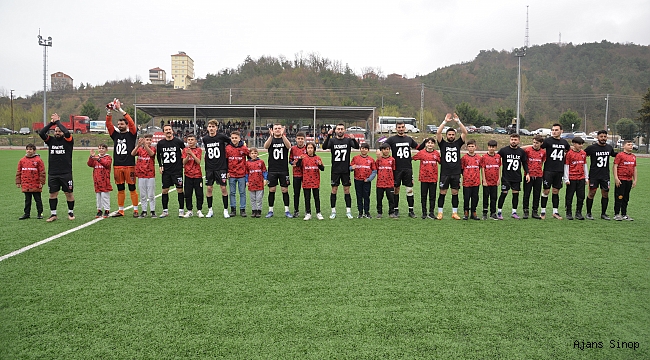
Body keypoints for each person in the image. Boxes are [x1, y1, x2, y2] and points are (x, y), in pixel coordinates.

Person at [39, 113, 75, 222]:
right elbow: (41, 133)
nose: (57, 133)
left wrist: (58, 122)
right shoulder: (51, 141)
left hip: (66, 173)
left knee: (68, 193)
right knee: (52, 194)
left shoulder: (68, 141)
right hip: (53, 173)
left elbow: (67, 132)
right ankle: (53, 214)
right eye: (56, 131)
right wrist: (52, 123)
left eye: (59, 131)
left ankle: (70, 212)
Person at [106, 99, 139, 218]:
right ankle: (121, 210)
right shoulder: (115, 135)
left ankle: (135, 210)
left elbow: (131, 122)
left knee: (132, 187)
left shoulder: (132, 134)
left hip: (129, 165)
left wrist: (120, 110)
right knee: (120, 188)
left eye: (122, 124)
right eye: (118, 124)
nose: (120, 126)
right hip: (117, 165)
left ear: (126, 125)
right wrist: (109, 111)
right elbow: (109, 125)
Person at [383, 121, 420, 218]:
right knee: (396, 189)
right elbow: (383, 146)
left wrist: (426, 142)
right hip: (396, 168)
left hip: (408, 168)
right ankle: (396, 210)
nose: (401, 129)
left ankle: (411, 211)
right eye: (399, 127)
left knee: (409, 189)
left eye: (402, 127)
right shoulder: (392, 139)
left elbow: (418, 147)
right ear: (396, 129)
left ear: (405, 128)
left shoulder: (409, 139)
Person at [322, 123, 360, 219]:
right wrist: (328, 135)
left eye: (341, 129)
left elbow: (356, 147)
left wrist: (353, 139)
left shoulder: (347, 140)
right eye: (338, 129)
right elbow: (324, 147)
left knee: (346, 190)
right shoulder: (332, 140)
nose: (340, 130)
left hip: (345, 170)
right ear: (335, 130)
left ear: (344, 130)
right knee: (334, 190)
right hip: (335, 170)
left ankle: (348, 211)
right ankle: (333, 211)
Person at [436, 113, 468, 220]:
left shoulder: (458, 143)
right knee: (442, 192)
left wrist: (458, 121)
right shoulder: (442, 144)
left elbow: (465, 132)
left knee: (455, 192)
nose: (451, 136)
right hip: (445, 172)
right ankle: (440, 212)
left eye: (452, 134)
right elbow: (438, 132)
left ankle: (454, 213)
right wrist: (445, 121)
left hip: (455, 172)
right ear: (446, 136)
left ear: (454, 135)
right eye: (449, 135)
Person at [584, 130, 617, 220]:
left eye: (605, 136)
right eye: (601, 136)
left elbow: (614, 154)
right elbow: (582, 154)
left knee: (605, 194)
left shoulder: (609, 148)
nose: (603, 138)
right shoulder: (592, 148)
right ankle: (589, 213)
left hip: (605, 175)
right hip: (594, 175)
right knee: (592, 193)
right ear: (597, 137)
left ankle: (603, 213)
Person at [202, 119, 232, 218]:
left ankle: (225, 210)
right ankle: (210, 210)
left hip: (221, 167)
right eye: (209, 126)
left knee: (223, 188)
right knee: (209, 188)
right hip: (210, 167)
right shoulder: (205, 139)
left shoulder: (221, 137)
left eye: (213, 127)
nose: (211, 128)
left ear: (216, 128)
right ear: (207, 128)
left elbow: (231, 142)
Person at [540, 123, 571, 219]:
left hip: (559, 170)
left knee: (556, 190)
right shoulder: (548, 141)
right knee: (546, 190)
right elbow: (538, 148)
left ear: (561, 131)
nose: (554, 131)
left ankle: (555, 212)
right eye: (553, 130)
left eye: (556, 130)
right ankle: (543, 211)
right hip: (549, 169)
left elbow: (569, 151)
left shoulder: (564, 142)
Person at [496, 134, 529, 220]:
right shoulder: (504, 150)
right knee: (504, 193)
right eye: (512, 139)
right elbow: (496, 158)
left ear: (519, 141)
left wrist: (527, 173)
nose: (513, 141)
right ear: (510, 140)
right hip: (506, 177)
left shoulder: (521, 152)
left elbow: (524, 163)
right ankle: (499, 212)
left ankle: (514, 212)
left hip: (516, 177)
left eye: (515, 139)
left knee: (515, 194)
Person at [156, 124, 185, 218]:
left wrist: (183, 162)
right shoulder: (161, 143)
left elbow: (184, 151)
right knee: (165, 190)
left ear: (172, 131)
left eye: (169, 129)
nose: (168, 131)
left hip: (177, 170)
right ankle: (165, 211)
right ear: (163, 132)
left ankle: (181, 210)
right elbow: (158, 155)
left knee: (180, 190)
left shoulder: (178, 141)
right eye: (166, 130)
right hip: (166, 171)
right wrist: (160, 165)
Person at [264, 123, 293, 218]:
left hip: (283, 169)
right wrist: (271, 135)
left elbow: (289, 146)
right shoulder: (271, 139)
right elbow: (266, 146)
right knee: (272, 189)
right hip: (272, 169)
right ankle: (270, 210)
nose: (277, 130)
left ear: (282, 129)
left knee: (284, 190)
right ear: (272, 129)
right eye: (275, 128)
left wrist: (283, 135)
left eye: (279, 128)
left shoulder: (284, 139)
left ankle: (287, 210)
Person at [15, 143, 45, 220]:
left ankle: (40, 213)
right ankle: (26, 213)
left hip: (35, 183)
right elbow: (19, 171)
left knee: (38, 199)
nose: (29, 151)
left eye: (31, 149)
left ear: (34, 151)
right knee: (27, 200)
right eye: (27, 149)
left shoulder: (38, 160)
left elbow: (42, 172)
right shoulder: (22, 160)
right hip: (26, 183)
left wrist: (41, 182)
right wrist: (18, 182)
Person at [296, 142, 325, 220]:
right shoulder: (303, 158)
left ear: (314, 149)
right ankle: (308, 213)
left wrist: (320, 165)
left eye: (311, 148)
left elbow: (322, 169)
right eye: (308, 148)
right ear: (306, 149)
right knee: (307, 198)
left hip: (315, 181)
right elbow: (298, 166)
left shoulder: (317, 158)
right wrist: (299, 159)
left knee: (316, 197)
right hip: (306, 181)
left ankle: (318, 213)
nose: (310, 149)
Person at [413, 137, 440, 219]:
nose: (430, 144)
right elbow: (413, 158)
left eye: (432, 143)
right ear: (425, 144)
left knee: (432, 196)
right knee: (423, 196)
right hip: (424, 178)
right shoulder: (421, 153)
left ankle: (431, 212)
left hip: (433, 178)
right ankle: (424, 212)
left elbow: (441, 162)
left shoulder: (436, 154)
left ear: (434, 145)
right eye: (428, 143)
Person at [131, 134, 156, 218]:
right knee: (142, 195)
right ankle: (144, 210)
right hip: (141, 175)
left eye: (150, 140)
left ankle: (152, 211)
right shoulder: (140, 149)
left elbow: (151, 154)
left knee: (151, 194)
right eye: (147, 140)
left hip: (150, 174)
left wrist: (145, 145)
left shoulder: (152, 148)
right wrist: (138, 145)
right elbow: (132, 153)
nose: (148, 141)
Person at [563, 137, 588, 220]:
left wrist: (586, 178)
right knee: (569, 196)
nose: (581, 146)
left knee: (581, 196)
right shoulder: (569, 154)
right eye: (579, 144)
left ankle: (578, 212)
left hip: (581, 178)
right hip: (572, 178)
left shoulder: (583, 153)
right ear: (574, 144)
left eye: (582, 144)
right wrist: (566, 179)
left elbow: (585, 165)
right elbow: (566, 166)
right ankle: (568, 212)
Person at [350, 143, 377, 218]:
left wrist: (369, 179)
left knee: (366, 196)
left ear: (368, 150)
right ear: (360, 149)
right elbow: (350, 168)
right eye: (362, 148)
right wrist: (352, 168)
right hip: (357, 180)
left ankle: (367, 212)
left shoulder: (371, 160)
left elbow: (374, 171)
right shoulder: (355, 158)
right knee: (359, 196)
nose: (363, 150)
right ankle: (360, 212)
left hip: (366, 181)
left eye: (365, 148)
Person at [226, 131, 249, 217]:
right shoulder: (227, 148)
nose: (234, 139)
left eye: (236, 138)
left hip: (241, 174)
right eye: (232, 138)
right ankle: (233, 209)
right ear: (230, 139)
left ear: (239, 138)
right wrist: (226, 172)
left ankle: (242, 209)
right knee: (232, 192)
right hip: (231, 174)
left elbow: (250, 158)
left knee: (242, 192)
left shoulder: (244, 148)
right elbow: (225, 161)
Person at [613, 140, 637, 221]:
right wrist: (616, 178)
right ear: (624, 146)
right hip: (621, 179)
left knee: (626, 197)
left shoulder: (633, 156)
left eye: (632, 145)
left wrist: (635, 180)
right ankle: (616, 214)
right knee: (619, 196)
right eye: (629, 144)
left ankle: (624, 214)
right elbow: (615, 166)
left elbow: (634, 168)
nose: (631, 146)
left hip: (629, 180)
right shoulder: (620, 155)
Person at [523, 135, 546, 219]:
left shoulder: (543, 152)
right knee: (526, 194)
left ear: (541, 143)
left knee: (536, 194)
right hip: (528, 176)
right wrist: (527, 173)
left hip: (539, 176)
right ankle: (525, 211)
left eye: (537, 143)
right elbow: (524, 162)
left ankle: (534, 211)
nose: (535, 144)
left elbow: (542, 162)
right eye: (534, 142)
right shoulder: (528, 150)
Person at [87, 144, 113, 218]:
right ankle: (99, 210)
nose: (101, 150)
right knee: (98, 196)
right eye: (99, 148)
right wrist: (91, 157)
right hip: (97, 180)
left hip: (105, 180)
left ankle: (107, 210)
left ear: (106, 150)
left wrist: (98, 159)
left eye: (103, 148)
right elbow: (90, 164)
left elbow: (107, 164)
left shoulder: (108, 157)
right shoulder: (96, 157)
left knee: (105, 196)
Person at [182, 134, 204, 218]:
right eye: (189, 139)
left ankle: (199, 210)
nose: (190, 141)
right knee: (188, 194)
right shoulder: (184, 150)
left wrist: (192, 153)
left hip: (197, 175)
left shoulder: (199, 150)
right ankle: (189, 210)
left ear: (195, 141)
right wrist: (188, 155)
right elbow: (183, 162)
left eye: (192, 139)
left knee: (199, 194)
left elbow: (198, 161)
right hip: (188, 175)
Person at [461, 139, 481, 220]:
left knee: (475, 197)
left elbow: (479, 168)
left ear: (475, 147)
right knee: (466, 197)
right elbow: (462, 169)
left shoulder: (479, 158)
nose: (471, 148)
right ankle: (466, 212)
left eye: (472, 146)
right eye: (469, 146)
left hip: (476, 181)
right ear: (467, 148)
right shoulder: (464, 158)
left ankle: (474, 212)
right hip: (467, 182)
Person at [480, 140, 501, 220]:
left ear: (496, 147)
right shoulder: (484, 157)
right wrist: (484, 180)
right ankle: (485, 213)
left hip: (494, 181)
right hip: (487, 181)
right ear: (488, 147)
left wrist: (499, 178)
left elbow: (499, 167)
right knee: (486, 197)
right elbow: (482, 168)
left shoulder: (498, 157)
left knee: (494, 197)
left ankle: (493, 213)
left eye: (493, 147)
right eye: (490, 147)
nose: (491, 149)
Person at [375, 143, 396, 219]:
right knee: (379, 199)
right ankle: (379, 212)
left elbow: (394, 170)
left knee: (391, 199)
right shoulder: (378, 160)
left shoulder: (392, 160)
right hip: (380, 183)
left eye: (387, 149)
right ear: (382, 150)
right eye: (384, 149)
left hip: (389, 183)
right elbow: (376, 169)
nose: (386, 151)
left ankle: (391, 212)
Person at [289, 132, 307, 218]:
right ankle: (296, 210)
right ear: (296, 139)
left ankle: (308, 211)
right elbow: (290, 160)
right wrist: (292, 163)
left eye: (302, 139)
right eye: (298, 139)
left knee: (306, 193)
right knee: (296, 193)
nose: (300, 140)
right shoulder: (293, 149)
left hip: (306, 174)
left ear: (304, 139)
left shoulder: (308, 148)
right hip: (296, 174)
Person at [245, 148, 267, 218]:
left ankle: (259, 210)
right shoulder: (247, 163)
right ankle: (253, 210)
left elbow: (264, 171)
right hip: (251, 183)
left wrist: (265, 179)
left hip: (259, 183)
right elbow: (246, 173)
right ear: (249, 155)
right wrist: (247, 181)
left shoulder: (261, 162)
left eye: (255, 153)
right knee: (252, 198)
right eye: (252, 153)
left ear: (257, 154)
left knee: (259, 198)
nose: (254, 155)